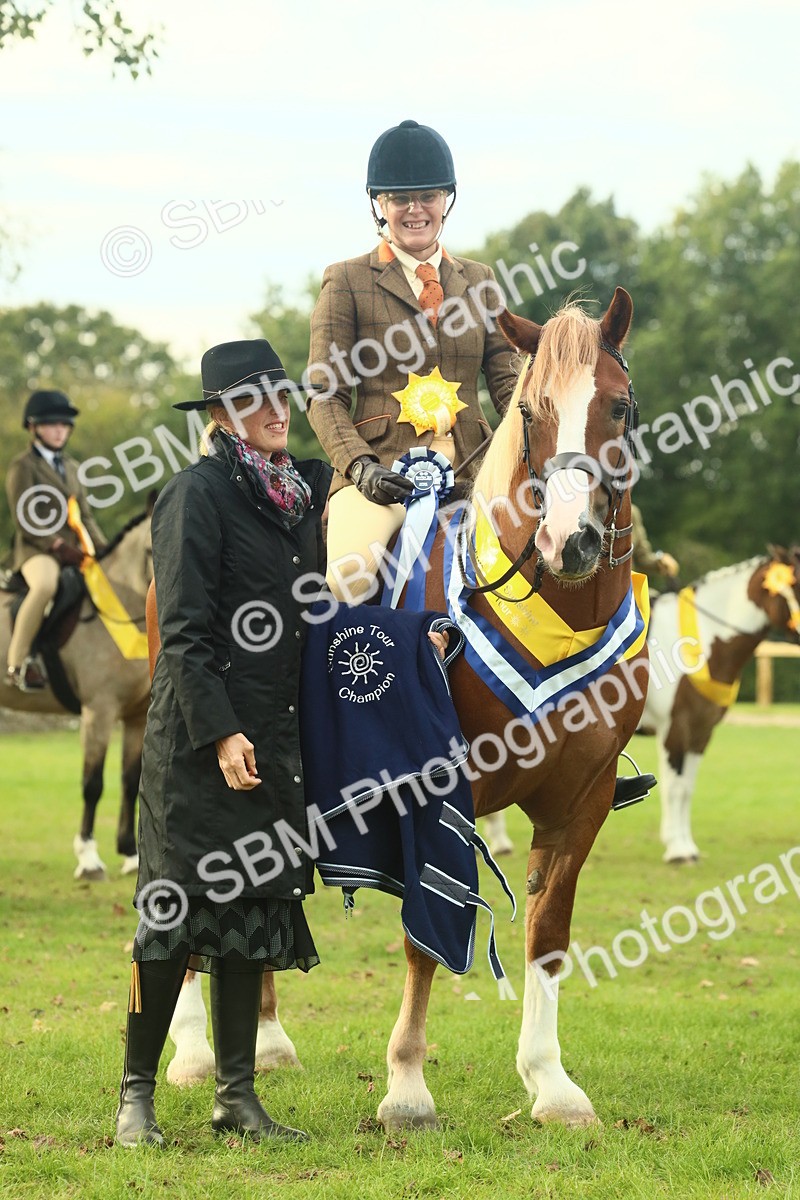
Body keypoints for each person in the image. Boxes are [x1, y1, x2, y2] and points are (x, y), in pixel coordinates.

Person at [115, 339, 332, 1147]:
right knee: (171, 918)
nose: (277, 411)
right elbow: (184, 634)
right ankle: (136, 1096)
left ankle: (237, 1099)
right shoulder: (193, 496)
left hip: (273, 743)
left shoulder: (295, 500)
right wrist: (222, 730)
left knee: (254, 914)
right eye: (255, 401)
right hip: (199, 747)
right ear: (219, 417)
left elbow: (317, 617)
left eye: (282, 396)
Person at [306, 118, 517, 600]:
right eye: (401, 199)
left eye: (428, 196)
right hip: (382, 474)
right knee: (349, 577)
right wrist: (359, 467)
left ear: (448, 199)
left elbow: (509, 387)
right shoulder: (347, 281)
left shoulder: (480, 280)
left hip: (475, 468)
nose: (415, 209)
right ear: (379, 204)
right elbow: (325, 395)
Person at [5, 389, 106, 690]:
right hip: (37, 549)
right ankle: (17, 663)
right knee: (46, 585)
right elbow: (24, 518)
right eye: (52, 424)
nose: (60, 430)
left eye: (64, 425)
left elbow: (85, 516)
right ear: (33, 427)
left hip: (74, 549)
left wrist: (103, 548)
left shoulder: (73, 468)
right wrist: (58, 546)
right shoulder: (23, 466)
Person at [631, 503, 680, 579]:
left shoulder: (632, 511)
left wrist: (660, 560)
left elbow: (641, 556)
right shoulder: (606, 508)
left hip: (623, 585)